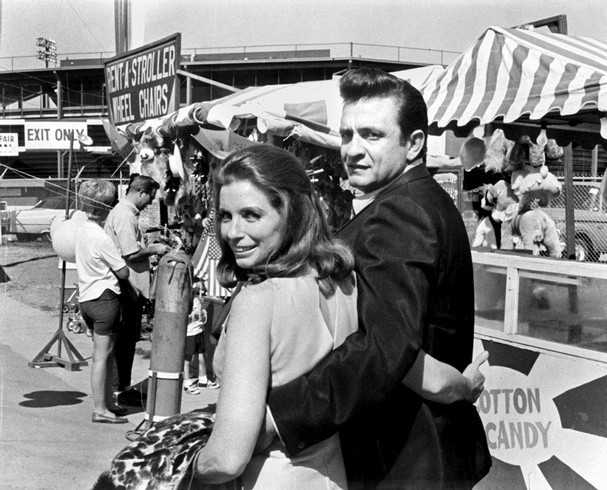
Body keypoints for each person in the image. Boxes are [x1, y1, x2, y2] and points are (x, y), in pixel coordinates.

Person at [190, 144, 486, 489]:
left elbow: (227, 458)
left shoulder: (256, 303)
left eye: (251, 215)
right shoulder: (346, 281)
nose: (232, 232)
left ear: (290, 212)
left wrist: (183, 462)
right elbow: (416, 369)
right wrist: (466, 385)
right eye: (225, 216)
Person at [265, 68, 492, 488]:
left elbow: (383, 349)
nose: (352, 149)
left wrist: (278, 417)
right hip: (422, 453)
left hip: (404, 457)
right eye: (347, 134)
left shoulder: (400, 212)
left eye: (372, 135)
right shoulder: (419, 199)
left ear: (415, 144)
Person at [104, 174, 169, 406]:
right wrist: (154, 249)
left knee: (128, 339)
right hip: (127, 287)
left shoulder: (128, 213)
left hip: (132, 287)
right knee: (124, 339)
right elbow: (130, 253)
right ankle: (119, 389)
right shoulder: (124, 214)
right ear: (140, 192)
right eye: (150, 197)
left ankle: (123, 386)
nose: (150, 202)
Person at [75, 180, 130, 424]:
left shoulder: (82, 230)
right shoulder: (101, 237)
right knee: (102, 356)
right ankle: (100, 408)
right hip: (104, 298)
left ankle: (107, 403)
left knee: (105, 356)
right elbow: (124, 272)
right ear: (106, 207)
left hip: (87, 297)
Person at [183, 283, 219, 395]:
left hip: (199, 331)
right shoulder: (187, 301)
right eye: (199, 290)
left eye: (202, 291)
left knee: (201, 355)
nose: (201, 292)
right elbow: (184, 317)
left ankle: (203, 380)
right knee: (187, 358)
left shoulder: (197, 300)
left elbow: (200, 315)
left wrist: (202, 314)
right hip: (190, 333)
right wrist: (194, 315)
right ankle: (187, 383)